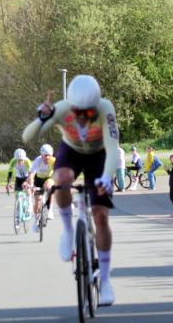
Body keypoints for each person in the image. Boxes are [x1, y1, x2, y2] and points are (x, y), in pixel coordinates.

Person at [21, 75, 121, 305]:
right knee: (61, 178)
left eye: (88, 114)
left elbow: (113, 148)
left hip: (99, 156)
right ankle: (67, 231)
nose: (83, 118)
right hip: (72, 151)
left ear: (96, 107)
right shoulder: (63, 109)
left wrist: (107, 176)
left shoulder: (106, 108)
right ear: (72, 108)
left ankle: (105, 281)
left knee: (101, 216)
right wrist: (40, 119)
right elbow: (27, 137)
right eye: (78, 113)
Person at [28, 144, 57, 232]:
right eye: (45, 155)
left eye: (49, 155)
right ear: (42, 155)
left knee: (49, 187)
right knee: (38, 199)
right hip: (39, 179)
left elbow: (57, 173)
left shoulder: (54, 161)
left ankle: (50, 209)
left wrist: (52, 181)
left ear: (51, 155)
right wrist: (32, 185)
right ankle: (36, 221)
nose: (47, 157)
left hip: (49, 177)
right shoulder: (38, 160)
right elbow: (32, 173)